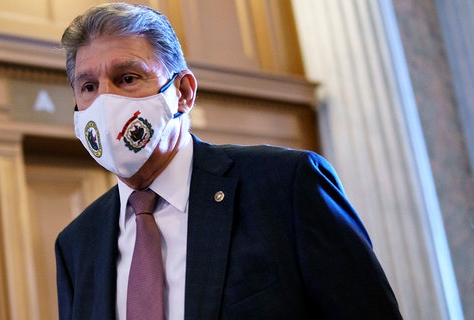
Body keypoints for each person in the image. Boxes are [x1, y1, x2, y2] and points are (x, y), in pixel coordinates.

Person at [55, 2, 402, 319]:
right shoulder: (77, 244)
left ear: (183, 93)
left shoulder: (286, 188)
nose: (105, 102)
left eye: (127, 78)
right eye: (88, 87)